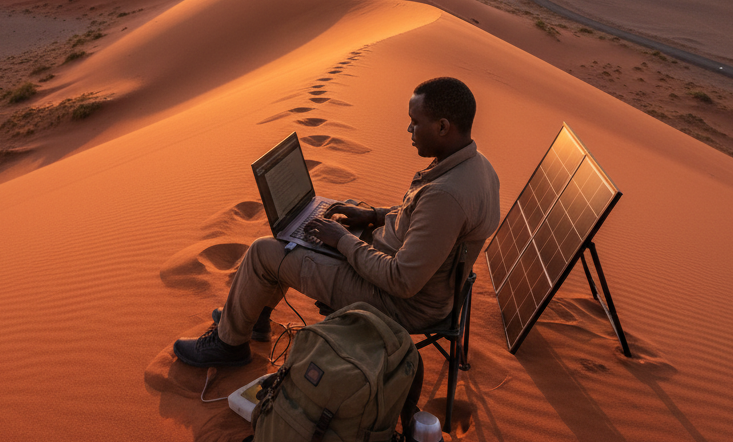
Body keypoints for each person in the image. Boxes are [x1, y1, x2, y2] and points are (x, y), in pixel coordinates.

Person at [173, 76, 501, 367]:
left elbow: (403, 280)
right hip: (407, 276)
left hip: (399, 304)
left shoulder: (446, 196)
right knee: (301, 236)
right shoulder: (476, 166)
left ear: (443, 127)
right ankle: (252, 318)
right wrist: (372, 215)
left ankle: (229, 344)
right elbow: (420, 221)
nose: (409, 130)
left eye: (415, 122)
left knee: (264, 252)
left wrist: (343, 241)